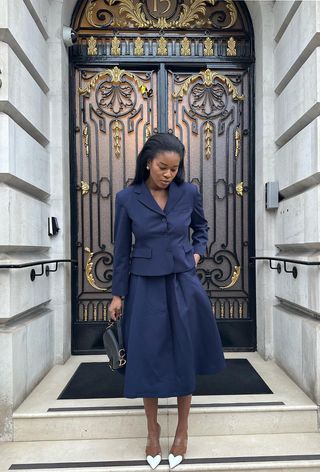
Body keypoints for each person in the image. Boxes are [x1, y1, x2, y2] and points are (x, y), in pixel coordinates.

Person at [108, 133, 226, 469]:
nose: (168, 174)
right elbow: (120, 250)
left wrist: (197, 255)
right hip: (144, 285)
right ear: (148, 162)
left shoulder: (188, 193)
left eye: (174, 169)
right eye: (163, 167)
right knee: (147, 356)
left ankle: (183, 429)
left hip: (182, 282)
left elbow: (201, 228)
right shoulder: (127, 198)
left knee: (184, 352)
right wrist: (118, 293)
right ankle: (152, 430)